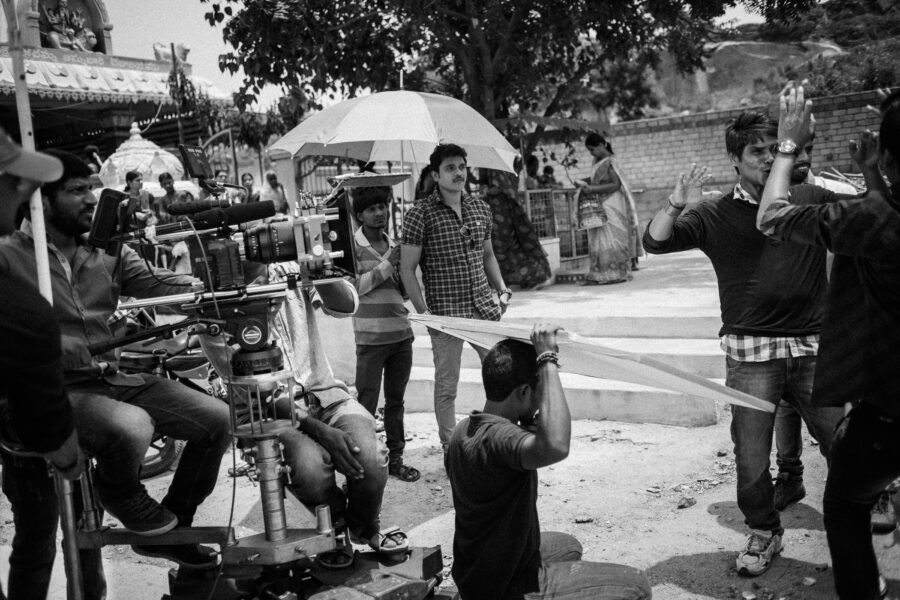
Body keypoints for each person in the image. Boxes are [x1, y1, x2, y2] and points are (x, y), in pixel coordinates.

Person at [0, 150, 232, 575]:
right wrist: (49, 343)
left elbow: (161, 283)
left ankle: (173, 525)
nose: (92, 198)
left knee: (219, 419)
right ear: (41, 200)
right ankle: (120, 491)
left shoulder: (109, 252)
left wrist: (218, 278)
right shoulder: (9, 256)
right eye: (76, 191)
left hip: (110, 378)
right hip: (49, 392)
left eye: (92, 187)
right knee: (129, 430)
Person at [642, 110, 844, 577]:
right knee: (751, 458)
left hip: (813, 347)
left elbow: (866, 222)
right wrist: (675, 203)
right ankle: (764, 530)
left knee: (842, 440)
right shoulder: (714, 212)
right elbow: (656, 242)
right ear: (735, 159)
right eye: (756, 151)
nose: (767, 159)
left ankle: (861, 507)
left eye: (774, 149)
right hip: (751, 355)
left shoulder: (809, 198)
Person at [756, 86, 900, 600]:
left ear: (885, 154)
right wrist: (877, 173)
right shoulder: (878, 211)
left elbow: (771, 216)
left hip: (890, 406)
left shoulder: (872, 220)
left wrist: (787, 147)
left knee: (844, 503)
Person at [445, 323, 652, 600]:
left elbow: (508, 453)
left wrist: (528, 421)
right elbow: (555, 445)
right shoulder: (503, 439)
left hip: (476, 572)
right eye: (540, 391)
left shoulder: (464, 430)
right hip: (507, 586)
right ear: (523, 392)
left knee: (568, 547)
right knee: (636, 586)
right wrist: (547, 360)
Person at [0, 133, 90, 600]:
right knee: (37, 535)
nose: (20, 192)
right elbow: (28, 336)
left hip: (75, 397)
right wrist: (61, 443)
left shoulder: (104, 252)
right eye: (12, 181)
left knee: (85, 528)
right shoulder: (11, 258)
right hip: (32, 428)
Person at [400, 143, 511, 451]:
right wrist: (426, 315)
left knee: (503, 378)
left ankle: (494, 440)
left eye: (462, 166)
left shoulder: (479, 207)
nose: (459, 172)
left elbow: (488, 256)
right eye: (450, 168)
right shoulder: (420, 215)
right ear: (436, 175)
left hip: (484, 310)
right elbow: (407, 270)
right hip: (445, 316)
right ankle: (452, 449)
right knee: (448, 386)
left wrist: (501, 288)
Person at [350, 186, 419, 482]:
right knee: (365, 402)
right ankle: (364, 462)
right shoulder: (352, 246)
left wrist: (403, 271)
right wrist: (389, 263)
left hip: (401, 335)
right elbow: (354, 288)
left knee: (396, 401)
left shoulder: (396, 244)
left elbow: (403, 290)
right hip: (370, 338)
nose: (380, 213)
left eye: (383, 206)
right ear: (360, 215)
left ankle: (396, 459)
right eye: (372, 208)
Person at [576, 133, 642, 284]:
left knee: (613, 237)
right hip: (600, 204)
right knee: (598, 238)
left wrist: (591, 189)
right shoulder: (597, 162)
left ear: (601, 145)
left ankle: (617, 273)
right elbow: (596, 181)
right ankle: (600, 273)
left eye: (592, 149)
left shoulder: (610, 162)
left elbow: (615, 184)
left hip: (612, 203)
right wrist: (583, 182)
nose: (591, 153)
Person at [483, 172, 553, 290]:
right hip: (499, 219)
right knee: (500, 252)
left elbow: (501, 187)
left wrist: (488, 191)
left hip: (503, 220)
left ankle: (536, 275)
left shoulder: (498, 173)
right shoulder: (498, 172)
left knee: (504, 250)